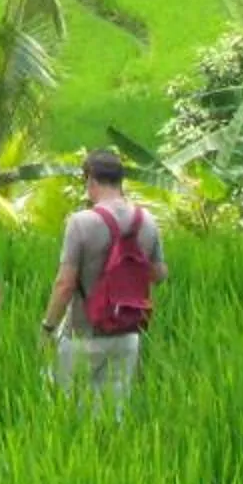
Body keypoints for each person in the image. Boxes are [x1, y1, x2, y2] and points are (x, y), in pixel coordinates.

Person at [39, 148, 166, 413]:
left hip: (83, 331)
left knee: (68, 410)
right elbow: (159, 274)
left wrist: (48, 327)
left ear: (91, 180)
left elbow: (65, 284)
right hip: (127, 332)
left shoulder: (80, 222)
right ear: (121, 181)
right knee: (112, 412)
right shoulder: (147, 221)